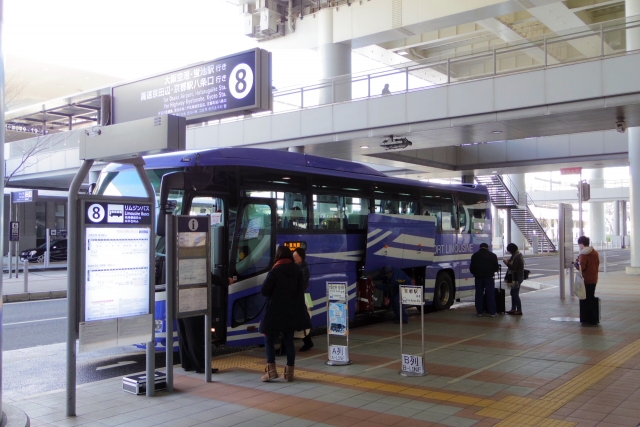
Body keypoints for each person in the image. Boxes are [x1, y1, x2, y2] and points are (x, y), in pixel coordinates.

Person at [259, 246, 311, 382]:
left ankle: (271, 372)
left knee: (269, 339)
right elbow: (301, 290)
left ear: (278, 256)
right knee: (289, 341)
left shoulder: (275, 271)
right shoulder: (298, 270)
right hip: (292, 311)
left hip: (275, 312)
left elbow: (264, 291)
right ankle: (289, 374)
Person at [469, 242, 499, 318]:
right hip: (489, 277)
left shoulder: (475, 256)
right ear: (487, 247)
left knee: (479, 294)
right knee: (490, 294)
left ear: (480, 247)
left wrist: (475, 273)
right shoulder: (492, 255)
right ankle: (492, 312)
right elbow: (496, 268)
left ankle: (479, 312)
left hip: (478, 277)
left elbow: (471, 268)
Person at [574, 236, 599, 325]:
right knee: (591, 297)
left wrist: (576, 264)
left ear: (581, 244)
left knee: (586, 299)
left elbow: (582, 267)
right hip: (594, 278)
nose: (579, 246)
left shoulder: (583, 254)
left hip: (586, 280)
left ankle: (590, 319)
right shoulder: (594, 252)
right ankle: (594, 318)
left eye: (579, 244)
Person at [293, 247, 314, 351]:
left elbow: (303, 285)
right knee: (300, 321)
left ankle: (308, 342)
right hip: (298, 297)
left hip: (301, 298)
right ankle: (308, 342)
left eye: (296, 257)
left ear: (301, 257)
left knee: (300, 320)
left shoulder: (304, 269)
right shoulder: (296, 267)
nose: (294, 258)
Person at [503, 243, 524, 315]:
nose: (509, 252)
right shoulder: (516, 255)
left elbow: (514, 268)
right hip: (515, 277)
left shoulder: (517, 256)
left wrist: (507, 263)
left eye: (509, 250)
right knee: (513, 293)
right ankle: (513, 308)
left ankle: (519, 310)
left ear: (512, 250)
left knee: (515, 294)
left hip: (516, 277)